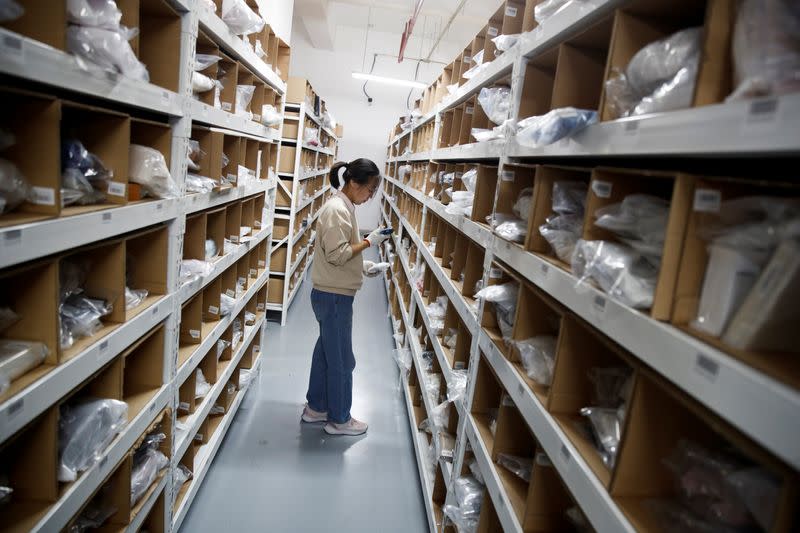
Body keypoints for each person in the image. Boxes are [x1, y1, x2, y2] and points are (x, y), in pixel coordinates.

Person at [301, 158, 391, 436]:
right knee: (342, 360)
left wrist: (363, 266)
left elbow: (336, 254)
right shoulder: (336, 210)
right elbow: (338, 254)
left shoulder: (342, 207)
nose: (370, 197)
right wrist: (369, 242)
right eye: (370, 190)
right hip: (334, 298)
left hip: (332, 292)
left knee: (326, 355)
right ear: (354, 183)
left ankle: (316, 408)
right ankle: (340, 419)